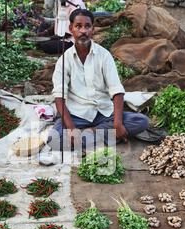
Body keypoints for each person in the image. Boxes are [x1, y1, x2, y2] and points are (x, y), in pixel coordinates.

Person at [47, 9, 149, 154]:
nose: (83, 31)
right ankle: (107, 137)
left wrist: (118, 123)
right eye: (78, 26)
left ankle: (91, 135)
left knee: (141, 122)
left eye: (87, 26)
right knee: (54, 139)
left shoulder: (104, 55)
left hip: (104, 113)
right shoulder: (65, 60)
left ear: (93, 29)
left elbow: (117, 91)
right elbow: (59, 97)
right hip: (78, 115)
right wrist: (71, 129)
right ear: (71, 29)